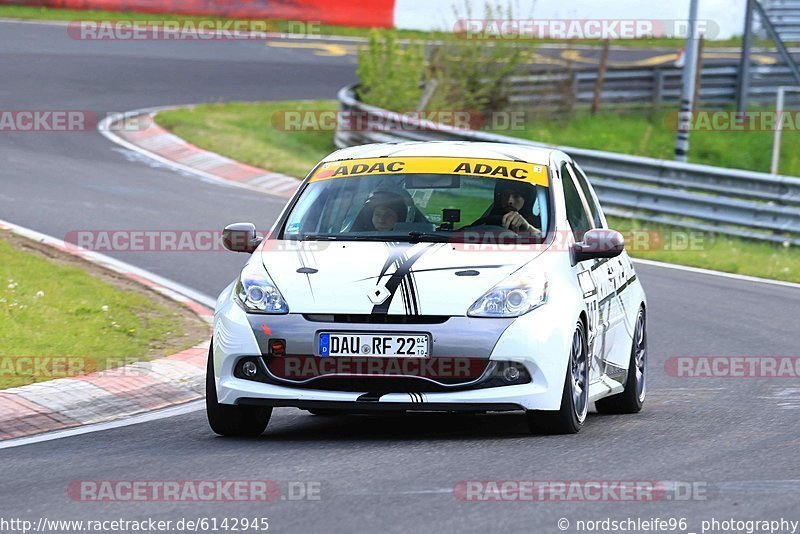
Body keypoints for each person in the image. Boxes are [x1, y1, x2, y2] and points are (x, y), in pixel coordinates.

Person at [470, 180, 541, 233]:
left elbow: (546, 240)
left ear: (528, 199)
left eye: (516, 196)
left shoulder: (543, 223)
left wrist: (528, 227)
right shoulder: (487, 222)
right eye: (505, 195)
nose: (509, 201)